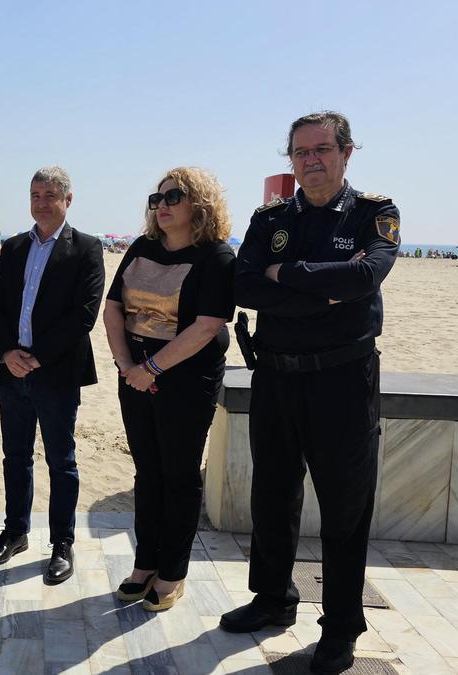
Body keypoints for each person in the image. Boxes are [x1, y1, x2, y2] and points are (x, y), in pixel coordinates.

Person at [221, 111, 399, 675]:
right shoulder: (269, 216)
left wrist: (283, 275)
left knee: (346, 507)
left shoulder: (375, 213)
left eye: (322, 149)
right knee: (272, 494)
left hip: (343, 380)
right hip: (274, 375)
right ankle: (273, 598)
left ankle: (342, 627)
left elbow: (363, 278)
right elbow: (243, 285)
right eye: (300, 152)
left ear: (347, 153)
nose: (311, 160)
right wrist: (316, 288)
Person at [105, 167, 235, 610]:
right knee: (148, 472)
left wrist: (152, 368)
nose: (161, 205)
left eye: (173, 197)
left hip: (185, 378)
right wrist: (128, 366)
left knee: (179, 476)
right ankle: (145, 564)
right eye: (156, 198)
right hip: (135, 373)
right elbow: (113, 308)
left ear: (199, 203)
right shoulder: (142, 248)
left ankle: (173, 572)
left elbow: (207, 326)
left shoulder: (216, 257)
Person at [0, 166, 104, 584]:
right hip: (12, 372)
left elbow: (84, 315)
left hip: (56, 374)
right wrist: (6, 353)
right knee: (15, 457)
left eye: (50, 195)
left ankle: (62, 543)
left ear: (68, 200)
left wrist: (37, 357)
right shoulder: (14, 247)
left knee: (60, 461)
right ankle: (15, 532)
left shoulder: (86, 248)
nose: (41, 202)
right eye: (35, 194)